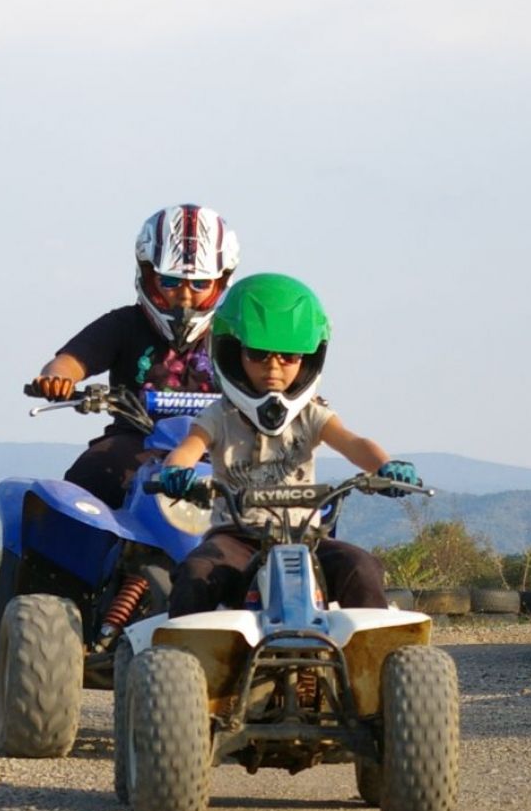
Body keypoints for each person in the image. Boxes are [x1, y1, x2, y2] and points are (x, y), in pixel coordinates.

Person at [154, 273, 421, 617]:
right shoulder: (220, 415)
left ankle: (378, 662)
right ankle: (183, 662)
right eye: (259, 354)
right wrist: (176, 472)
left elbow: (353, 443)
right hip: (237, 537)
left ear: (308, 359)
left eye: (289, 357)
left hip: (306, 538)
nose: (274, 367)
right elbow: (190, 447)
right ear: (233, 353)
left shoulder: (311, 414)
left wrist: (385, 465)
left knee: (360, 566)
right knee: (196, 573)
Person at [27, 204, 239, 508]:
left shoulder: (234, 333)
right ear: (149, 275)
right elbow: (72, 359)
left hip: (221, 447)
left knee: (288, 497)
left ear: (221, 281)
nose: (185, 294)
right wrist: (56, 378)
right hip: (135, 444)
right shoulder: (125, 323)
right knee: (85, 481)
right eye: (170, 281)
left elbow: (268, 373)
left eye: (201, 283)